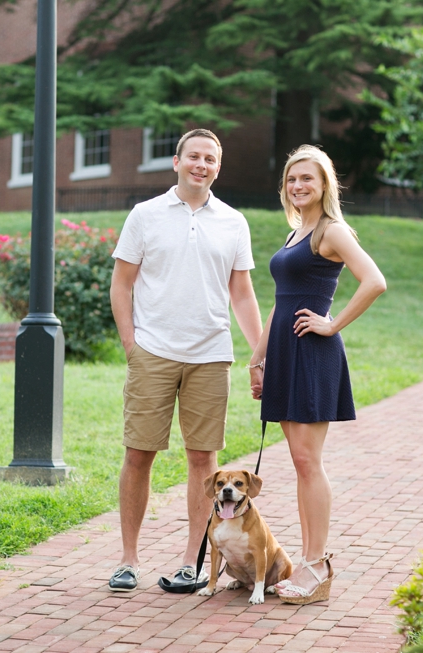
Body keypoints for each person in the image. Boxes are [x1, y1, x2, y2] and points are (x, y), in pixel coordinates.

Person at [108, 128, 263, 592]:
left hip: (211, 356)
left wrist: (260, 354)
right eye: (193, 156)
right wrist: (132, 346)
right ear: (176, 162)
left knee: (205, 461)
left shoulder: (233, 222)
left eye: (210, 159)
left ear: (218, 167)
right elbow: (122, 283)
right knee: (139, 454)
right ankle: (128, 559)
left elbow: (242, 293)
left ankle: (192, 562)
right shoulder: (145, 215)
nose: (201, 164)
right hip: (153, 352)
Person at [248, 145, 386, 604]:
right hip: (285, 353)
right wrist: (259, 356)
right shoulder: (295, 233)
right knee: (300, 463)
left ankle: (316, 565)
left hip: (312, 353)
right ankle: (310, 562)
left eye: (308, 178)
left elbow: (374, 281)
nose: (298, 186)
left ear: (325, 184)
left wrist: (331, 323)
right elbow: (281, 300)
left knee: (309, 463)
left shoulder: (332, 230)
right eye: (292, 179)